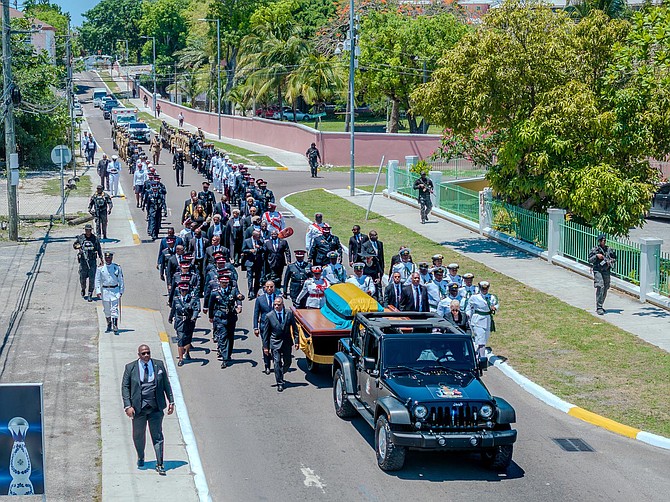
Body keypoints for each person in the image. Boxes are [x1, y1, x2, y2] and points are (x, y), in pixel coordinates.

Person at [121, 344, 175, 475]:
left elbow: (166, 384)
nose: (146, 355)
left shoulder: (159, 365)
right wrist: (128, 406)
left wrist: (171, 401)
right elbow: (125, 387)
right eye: (143, 353)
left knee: (157, 435)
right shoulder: (130, 367)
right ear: (138, 355)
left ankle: (160, 463)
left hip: (155, 407)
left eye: (148, 353)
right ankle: (140, 456)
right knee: (138, 435)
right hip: (138, 409)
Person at [262, 297, 299, 392]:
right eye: (275, 304)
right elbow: (266, 333)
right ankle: (280, 383)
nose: (276, 306)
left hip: (286, 342)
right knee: (277, 362)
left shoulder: (289, 314)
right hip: (275, 342)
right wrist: (266, 347)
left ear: (282, 305)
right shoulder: (269, 316)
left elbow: (295, 328)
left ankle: (280, 373)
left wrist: (297, 341)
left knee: (288, 362)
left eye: (278, 304)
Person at [208, 274, 243, 368]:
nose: (224, 284)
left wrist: (240, 301)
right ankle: (224, 358)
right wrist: (211, 316)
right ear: (219, 282)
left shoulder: (233, 290)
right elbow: (211, 306)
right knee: (222, 337)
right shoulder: (215, 293)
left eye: (226, 283)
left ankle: (228, 355)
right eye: (222, 283)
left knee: (230, 337)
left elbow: (239, 297)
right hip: (220, 317)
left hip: (231, 316)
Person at [169, 282, 200, 366]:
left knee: (188, 339)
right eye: (182, 290)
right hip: (179, 322)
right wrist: (170, 317)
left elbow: (196, 309)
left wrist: (194, 317)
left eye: (185, 290)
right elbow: (173, 309)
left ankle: (187, 352)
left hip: (189, 322)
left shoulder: (192, 299)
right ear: (179, 290)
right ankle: (181, 359)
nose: (184, 292)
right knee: (180, 339)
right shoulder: (176, 299)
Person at [466, 281, 499, 359]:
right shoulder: (475, 297)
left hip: (487, 319)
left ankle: (475, 354)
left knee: (485, 339)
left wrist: (495, 308)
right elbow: (469, 307)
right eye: (483, 288)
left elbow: (496, 304)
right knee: (481, 342)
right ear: (480, 288)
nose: (485, 290)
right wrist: (468, 315)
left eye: (486, 288)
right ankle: (482, 359)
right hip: (478, 319)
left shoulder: (492, 297)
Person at [95, 251, 124, 334]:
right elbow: (97, 280)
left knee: (114, 309)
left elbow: (121, 280)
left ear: (112, 258)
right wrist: (98, 290)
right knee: (107, 310)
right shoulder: (100, 268)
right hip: (105, 291)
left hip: (115, 290)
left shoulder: (117, 267)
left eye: (110, 257)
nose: (108, 259)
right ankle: (109, 323)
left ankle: (115, 325)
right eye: (107, 258)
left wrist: (121, 290)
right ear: (105, 258)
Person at [73, 223, 103, 301]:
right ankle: (83, 289)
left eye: (89, 230)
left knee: (92, 279)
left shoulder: (95, 239)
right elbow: (75, 245)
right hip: (83, 262)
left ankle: (90, 293)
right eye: (86, 230)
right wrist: (78, 247)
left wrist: (101, 259)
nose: (88, 232)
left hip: (92, 261)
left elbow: (99, 249)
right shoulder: (81, 238)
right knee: (82, 278)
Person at [588, 234, 617, 315]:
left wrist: (610, 261)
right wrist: (597, 256)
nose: (604, 242)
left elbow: (614, 258)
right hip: (598, 270)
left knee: (606, 287)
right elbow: (590, 260)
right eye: (603, 240)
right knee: (600, 286)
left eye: (605, 240)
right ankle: (599, 307)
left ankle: (601, 304)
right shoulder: (595, 249)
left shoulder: (609, 249)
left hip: (606, 270)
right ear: (600, 241)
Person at [253, 280, 278, 374]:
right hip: (264, 326)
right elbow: (256, 314)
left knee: (275, 346)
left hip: (275, 327)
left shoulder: (278, 298)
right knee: (266, 346)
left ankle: (276, 364)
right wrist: (255, 327)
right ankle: (267, 365)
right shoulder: (260, 299)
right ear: (264, 288)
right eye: (267, 287)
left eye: (271, 287)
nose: (269, 289)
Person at [242, 230, 265, 299]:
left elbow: (264, 249)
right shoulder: (247, 241)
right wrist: (249, 250)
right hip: (250, 262)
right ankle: (250, 291)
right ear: (254, 236)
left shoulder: (260, 241)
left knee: (257, 278)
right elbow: (243, 249)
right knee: (250, 278)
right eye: (258, 236)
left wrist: (259, 248)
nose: (259, 237)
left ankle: (255, 291)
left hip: (258, 262)